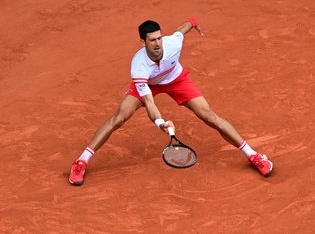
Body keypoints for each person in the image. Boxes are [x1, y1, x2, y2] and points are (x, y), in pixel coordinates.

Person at [69, 18, 274, 186]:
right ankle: (81, 161)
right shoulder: (139, 66)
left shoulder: (173, 43)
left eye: (159, 38)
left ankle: (253, 155)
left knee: (209, 116)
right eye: (152, 40)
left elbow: (182, 29)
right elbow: (149, 101)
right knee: (118, 118)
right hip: (150, 84)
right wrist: (161, 123)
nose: (158, 44)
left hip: (176, 79)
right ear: (143, 42)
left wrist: (193, 22)